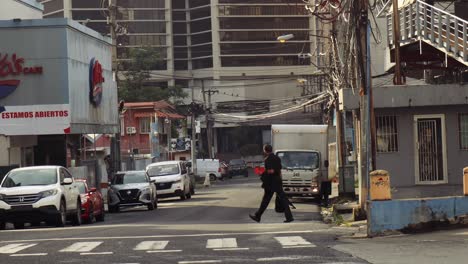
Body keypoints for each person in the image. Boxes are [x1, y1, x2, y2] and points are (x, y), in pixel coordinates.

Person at [249, 144, 294, 223]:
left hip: (270, 183)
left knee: (265, 200)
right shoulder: (277, 158)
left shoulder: (268, 159)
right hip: (277, 181)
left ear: (265, 150)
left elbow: (271, 171)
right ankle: (289, 217)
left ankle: (258, 216)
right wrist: (280, 181)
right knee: (283, 200)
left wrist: (262, 173)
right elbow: (279, 171)